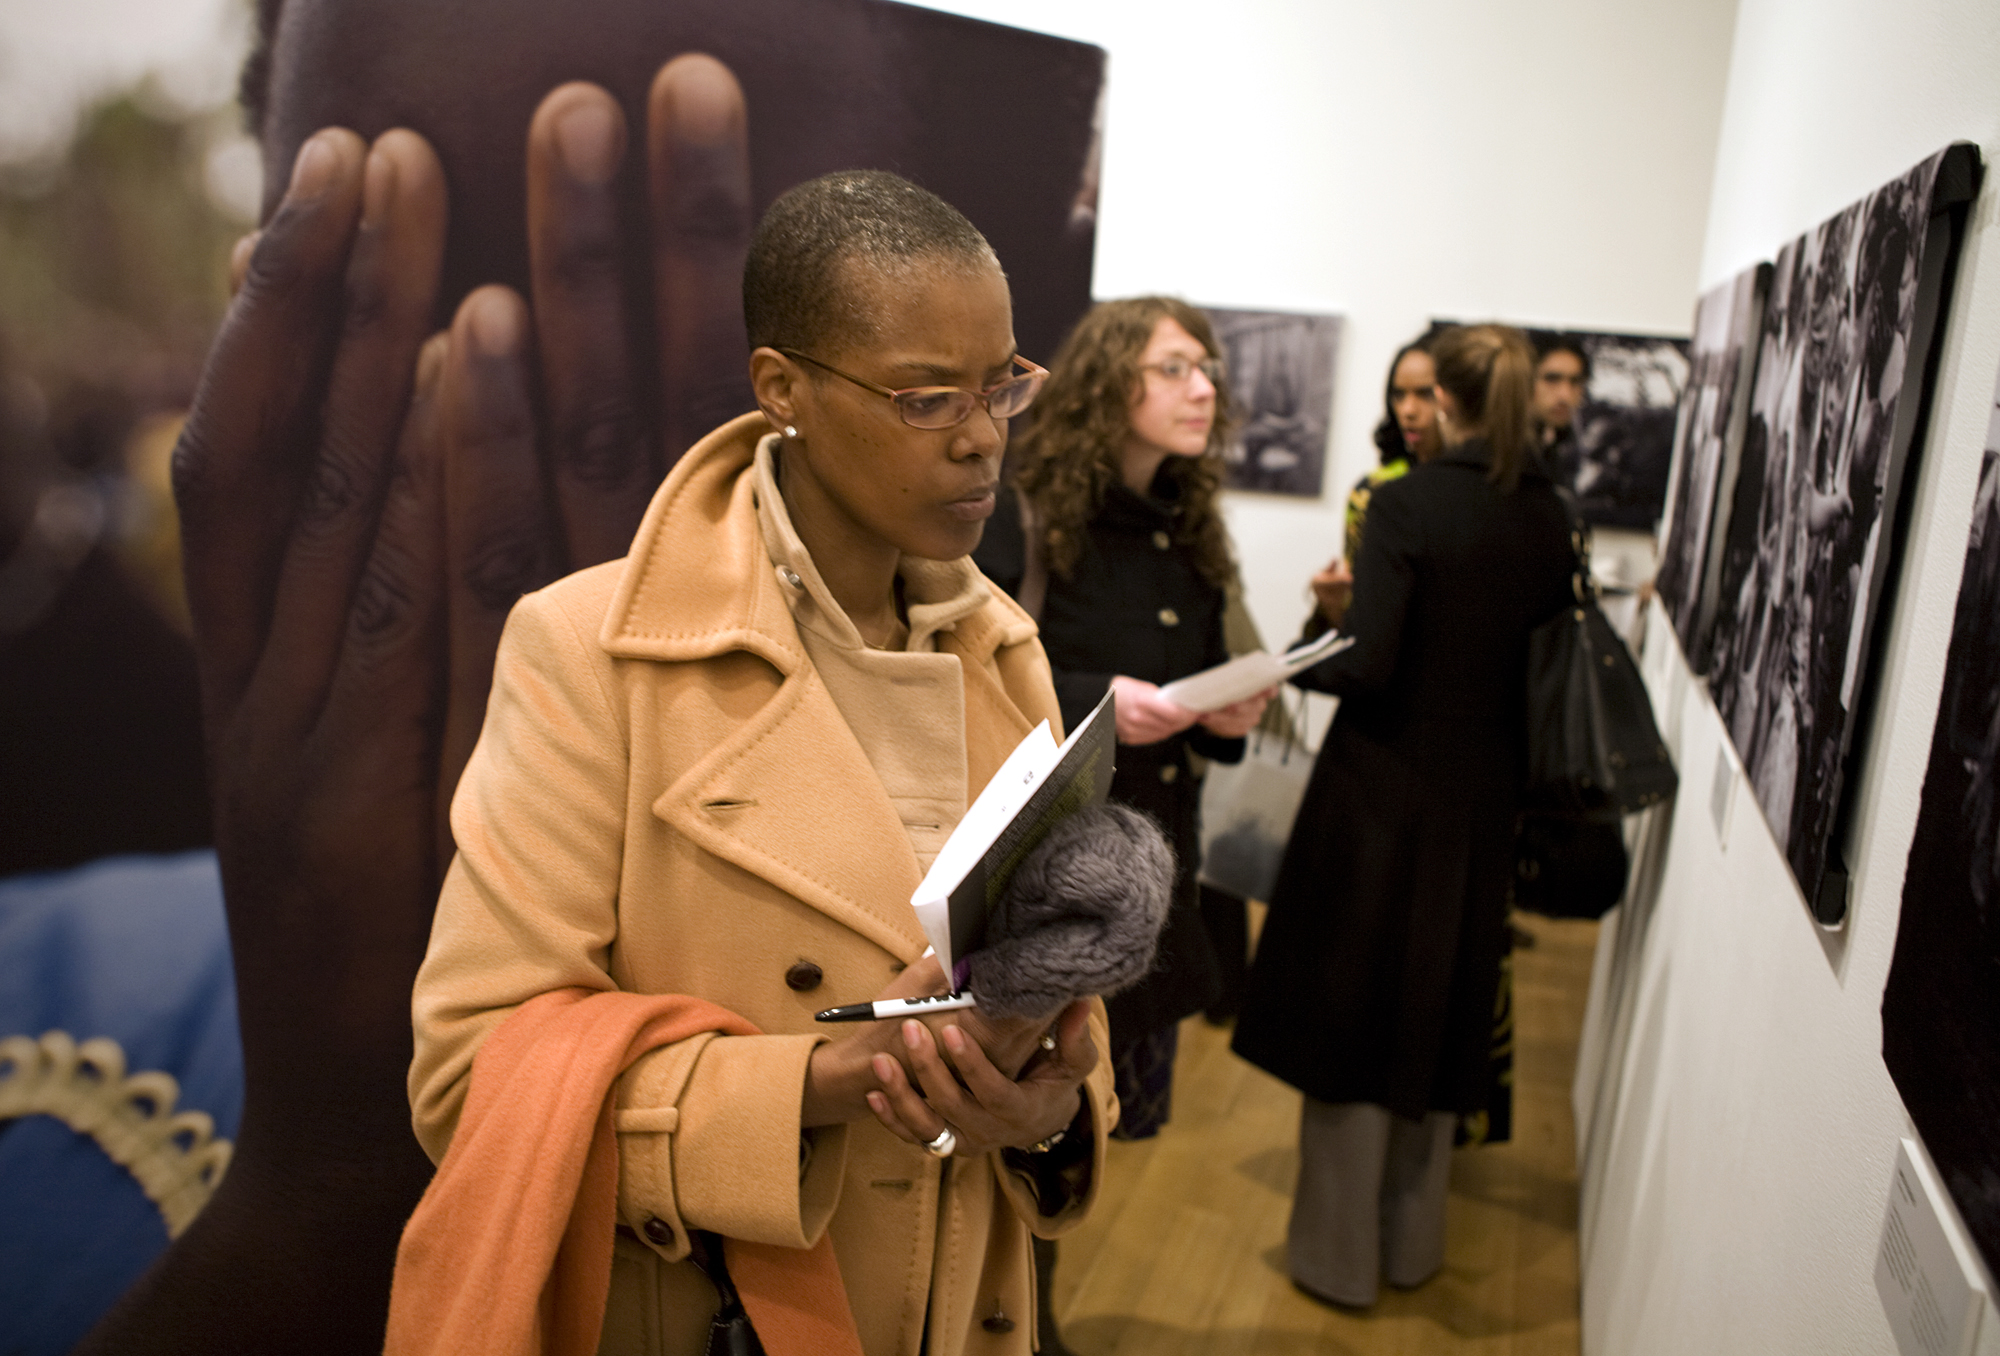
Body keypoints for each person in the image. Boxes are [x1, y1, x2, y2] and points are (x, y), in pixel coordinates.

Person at [406, 170, 1115, 1356]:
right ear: (782, 388)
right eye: (927, 397)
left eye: (1000, 384)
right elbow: (472, 1084)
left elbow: (1048, 1007)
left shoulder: (1005, 653)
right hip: (732, 1314)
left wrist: (1044, 1113)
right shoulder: (592, 656)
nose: (983, 436)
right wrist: (824, 1085)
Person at [1230, 324, 1575, 1309]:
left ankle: (1336, 1261)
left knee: (1349, 1020)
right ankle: (1412, 1246)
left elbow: (1369, 663)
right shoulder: (1550, 515)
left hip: (1380, 798)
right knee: (1436, 1016)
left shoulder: (1405, 504)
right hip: (1480, 802)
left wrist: (1311, 632)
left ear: (1449, 403)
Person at [975, 297, 1271, 1140]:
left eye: (1208, 369)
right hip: (1052, 894)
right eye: (1174, 369)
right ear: (1109, 383)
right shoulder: (1026, 514)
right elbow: (968, 678)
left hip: (1161, 889)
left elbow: (1197, 676)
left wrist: (1226, 711)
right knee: (1029, 1138)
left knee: (1113, 1138)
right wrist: (1097, 702)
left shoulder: (1189, 529)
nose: (1203, 389)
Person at [1306, 333, 1444, 632]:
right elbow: (1359, 623)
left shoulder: (1483, 491)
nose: (1408, 410)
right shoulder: (1373, 491)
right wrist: (1332, 603)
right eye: (1399, 395)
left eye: (1425, 394)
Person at [1531, 333, 1590, 473]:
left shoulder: (1563, 448)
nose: (1566, 395)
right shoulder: (1502, 452)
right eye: (1552, 379)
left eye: (1575, 382)